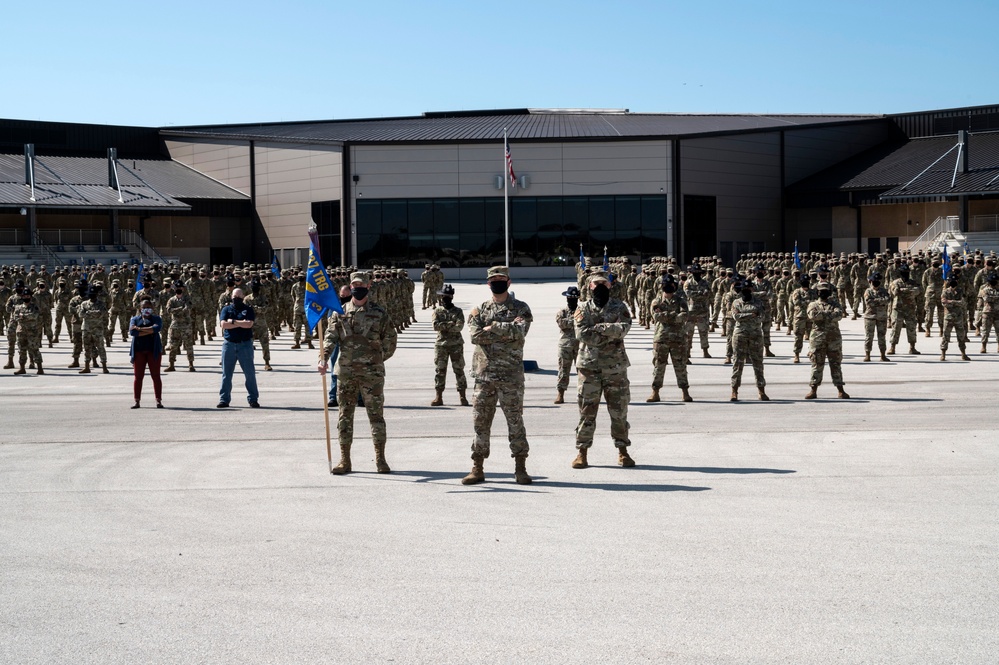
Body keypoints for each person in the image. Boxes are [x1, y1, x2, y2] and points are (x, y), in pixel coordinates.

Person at [319, 271, 397, 474]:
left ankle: (380, 459)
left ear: (369, 286)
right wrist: (323, 359)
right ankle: (345, 460)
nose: (358, 287)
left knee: (376, 416)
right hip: (346, 373)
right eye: (354, 284)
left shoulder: (379, 313)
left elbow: (390, 340)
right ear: (350, 287)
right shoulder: (339, 312)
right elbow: (330, 338)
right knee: (345, 416)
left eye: (362, 284)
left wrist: (377, 359)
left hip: (372, 374)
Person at [462, 266, 533, 485]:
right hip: (484, 378)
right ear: (488, 284)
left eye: (501, 279)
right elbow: (474, 336)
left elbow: (520, 331)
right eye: (494, 280)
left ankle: (520, 468)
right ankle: (478, 467)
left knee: (515, 421)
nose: (497, 282)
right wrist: (505, 330)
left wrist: (491, 328)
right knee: (480, 423)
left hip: (510, 376)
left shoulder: (521, 308)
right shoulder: (479, 309)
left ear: (509, 282)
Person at [571, 272, 635, 469]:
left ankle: (623, 451)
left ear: (609, 285)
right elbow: (582, 334)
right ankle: (582, 452)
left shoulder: (619, 306)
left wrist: (599, 328)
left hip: (615, 368)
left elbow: (624, 328)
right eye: (596, 283)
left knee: (619, 412)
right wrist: (610, 332)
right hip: (589, 368)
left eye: (603, 283)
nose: (600, 286)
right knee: (586, 412)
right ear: (590, 286)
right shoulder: (581, 308)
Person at [648, 275, 692, 403]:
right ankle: (655, 392)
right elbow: (657, 316)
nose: (668, 287)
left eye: (671, 285)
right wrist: (674, 315)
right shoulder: (656, 301)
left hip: (678, 339)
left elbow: (684, 316)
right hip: (661, 338)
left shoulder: (681, 301)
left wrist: (667, 315)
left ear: (674, 286)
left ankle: (685, 392)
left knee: (680, 366)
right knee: (658, 366)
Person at [805, 282, 850, 399]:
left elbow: (839, 315)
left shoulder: (835, 303)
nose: (823, 293)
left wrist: (823, 314)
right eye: (821, 291)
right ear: (817, 292)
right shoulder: (812, 304)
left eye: (825, 290)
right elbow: (813, 316)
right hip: (817, 339)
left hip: (833, 338)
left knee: (836, 364)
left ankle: (840, 389)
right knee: (816, 364)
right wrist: (829, 314)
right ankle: (813, 389)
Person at [218, 288, 259, 408]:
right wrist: (240, 323)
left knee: (250, 373)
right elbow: (223, 325)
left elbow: (249, 324)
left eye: (239, 297)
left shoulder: (248, 309)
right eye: (234, 296)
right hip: (229, 344)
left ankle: (253, 399)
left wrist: (234, 321)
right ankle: (224, 399)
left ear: (243, 297)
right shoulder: (226, 309)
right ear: (231, 297)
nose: (236, 299)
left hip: (245, 345)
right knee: (226, 374)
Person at [730, 280, 770, 402]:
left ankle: (761, 391)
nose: (746, 291)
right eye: (744, 289)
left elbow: (761, 317)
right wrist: (751, 314)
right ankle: (734, 390)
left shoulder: (758, 302)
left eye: (749, 289)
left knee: (758, 363)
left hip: (755, 335)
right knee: (738, 362)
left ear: (752, 289)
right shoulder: (736, 302)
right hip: (740, 335)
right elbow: (736, 317)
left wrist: (745, 315)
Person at [430, 283, 469, 407]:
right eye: (443, 296)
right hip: (441, 345)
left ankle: (462, 396)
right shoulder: (437, 310)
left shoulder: (458, 311)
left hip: (456, 345)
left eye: (447, 296)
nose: (445, 298)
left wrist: (445, 325)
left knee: (459, 370)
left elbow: (459, 326)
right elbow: (435, 326)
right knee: (440, 371)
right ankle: (439, 397)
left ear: (452, 297)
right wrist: (451, 323)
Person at [129, 298, 164, 408]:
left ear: (153, 308)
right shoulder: (135, 319)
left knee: (156, 376)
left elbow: (157, 329)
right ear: (140, 308)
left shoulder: (156, 318)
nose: (146, 310)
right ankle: (137, 400)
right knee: (138, 377)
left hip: (153, 352)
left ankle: (158, 400)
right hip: (139, 351)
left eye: (148, 307)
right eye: (144, 308)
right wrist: (149, 330)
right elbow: (132, 332)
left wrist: (140, 329)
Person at [322, 285, 352, 408]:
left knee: (356, 371)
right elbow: (330, 323)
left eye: (346, 295)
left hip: (351, 344)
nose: (344, 297)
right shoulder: (334, 307)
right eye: (342, 295)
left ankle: (359, 397)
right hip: (337, 342)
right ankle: (333, 397)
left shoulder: (354, 306)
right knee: (335, 370)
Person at [554, 286, 580, 404]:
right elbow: (562, 324)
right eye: (570, 298)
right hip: (565, 345)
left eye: (574, 298)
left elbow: (585, 323)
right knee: (563, 370)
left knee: (583, 371)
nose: (572, 300)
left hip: (580, 345)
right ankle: (560, 393)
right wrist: (576, 321)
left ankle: (582, 393)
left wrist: (574, 322)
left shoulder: (583, 310)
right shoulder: (562, 312)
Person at [12, 289, 43, 375]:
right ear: (22, 297)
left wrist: (23, 316)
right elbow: (16, 317)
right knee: (21, 350)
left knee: (34, 349)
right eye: (25, 296)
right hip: (21, 332)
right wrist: (25, 316)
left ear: (30, 296)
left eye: (28, 296)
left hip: (32, 332)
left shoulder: (34, 307)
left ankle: (40, 368)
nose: (26, 297)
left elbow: (34, 316)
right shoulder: (18, 307)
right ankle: (22, 368)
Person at [940, 275, 970, 361]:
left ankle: (963, 354)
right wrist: (956, 302)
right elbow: (944, 303)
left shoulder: (960, 291)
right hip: (948, 317)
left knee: (961, 336)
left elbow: (963, 303)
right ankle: (943, 354)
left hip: (958, 317)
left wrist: (951, 301)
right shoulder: (945, 292)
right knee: (945, 336)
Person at [862, 272, 891, 362]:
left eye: (877, 281)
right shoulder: (868, 291)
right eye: (874, 281)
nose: (876, 282)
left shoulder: (883, 291)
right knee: (869, 337)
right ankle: (867, 355)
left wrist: (876, 301)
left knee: (882, 336)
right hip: (870, 317)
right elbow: (868, 302)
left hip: (881, 317)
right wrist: (881, 301)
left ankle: (882, 355)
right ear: (871, 281)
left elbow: (888, 300)